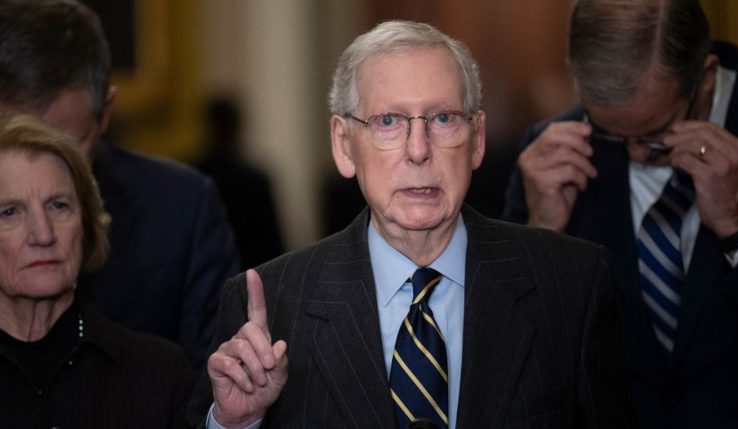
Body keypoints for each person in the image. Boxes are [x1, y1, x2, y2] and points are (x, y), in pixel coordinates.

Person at [189, 20, 633, 429]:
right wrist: (236, 425)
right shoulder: (272, 305)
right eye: (388, 122)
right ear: (344, 145)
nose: (418, 150)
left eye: (443, 119)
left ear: (476, 140)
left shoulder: (573, 283)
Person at [503, 0, 738, 427]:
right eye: (611, 133)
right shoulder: (550, 157)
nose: (635, 153)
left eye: (654, 134)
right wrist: (543, 232)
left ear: (703, 78)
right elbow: (518, 364)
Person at [0, 0, 240, 373]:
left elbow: (213, 391)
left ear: (105, 113)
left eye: (65, 147)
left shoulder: (181, 209)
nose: (41, 170)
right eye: (17, 142)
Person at [0, 112, 193, 428]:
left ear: (87, 223)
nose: (43, 234)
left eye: (58, 205)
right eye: (10, 212)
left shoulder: (159, 373)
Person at [196, 96, 285, 269]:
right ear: (239, 125)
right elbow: (272, 244)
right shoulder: (254, 180)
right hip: (249, 272)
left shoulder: (195, 174)